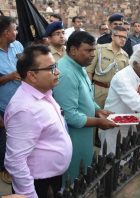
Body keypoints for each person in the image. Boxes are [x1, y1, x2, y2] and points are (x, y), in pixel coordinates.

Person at [4, 45, 72, 198]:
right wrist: (29, 195)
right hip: (37, 184)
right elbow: (15, 161)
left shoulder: (44, 94)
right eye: (51, 68)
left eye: (56, 66)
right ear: (32, 76)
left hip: (51, 178)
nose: (58, 72)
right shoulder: (25, 109)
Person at [53, 31, 117, 181]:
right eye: (89, 50)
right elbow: (69, 115)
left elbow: (86, 96)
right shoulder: (66, 73)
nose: (93, 54)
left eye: (94, 50)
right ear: (74, 50)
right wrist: (98, 122)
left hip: (84, 132)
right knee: (72, 179)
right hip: (73, 136)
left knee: (82, 174)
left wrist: (97, 110)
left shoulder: (79, 66)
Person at [0, 16, 23, 185]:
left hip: (20, 103)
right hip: (2, 106)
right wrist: (8, 77)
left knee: (17, 138)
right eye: (14, 29)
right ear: (6, 33)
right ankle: (4, 169)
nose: (17, 32)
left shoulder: (18, 46)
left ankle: (15, 165)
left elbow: (24, 65)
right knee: (4, 139)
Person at [87, 26, 129, 107]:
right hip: (98, 90)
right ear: (112, 36)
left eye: (125, 37)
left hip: (115, 92)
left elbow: (125, 78)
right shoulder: (99, 49)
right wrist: (88, 91)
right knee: (95, 115)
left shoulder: (125, 56)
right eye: (120, 36)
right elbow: (89, 71)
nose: (123, 39)